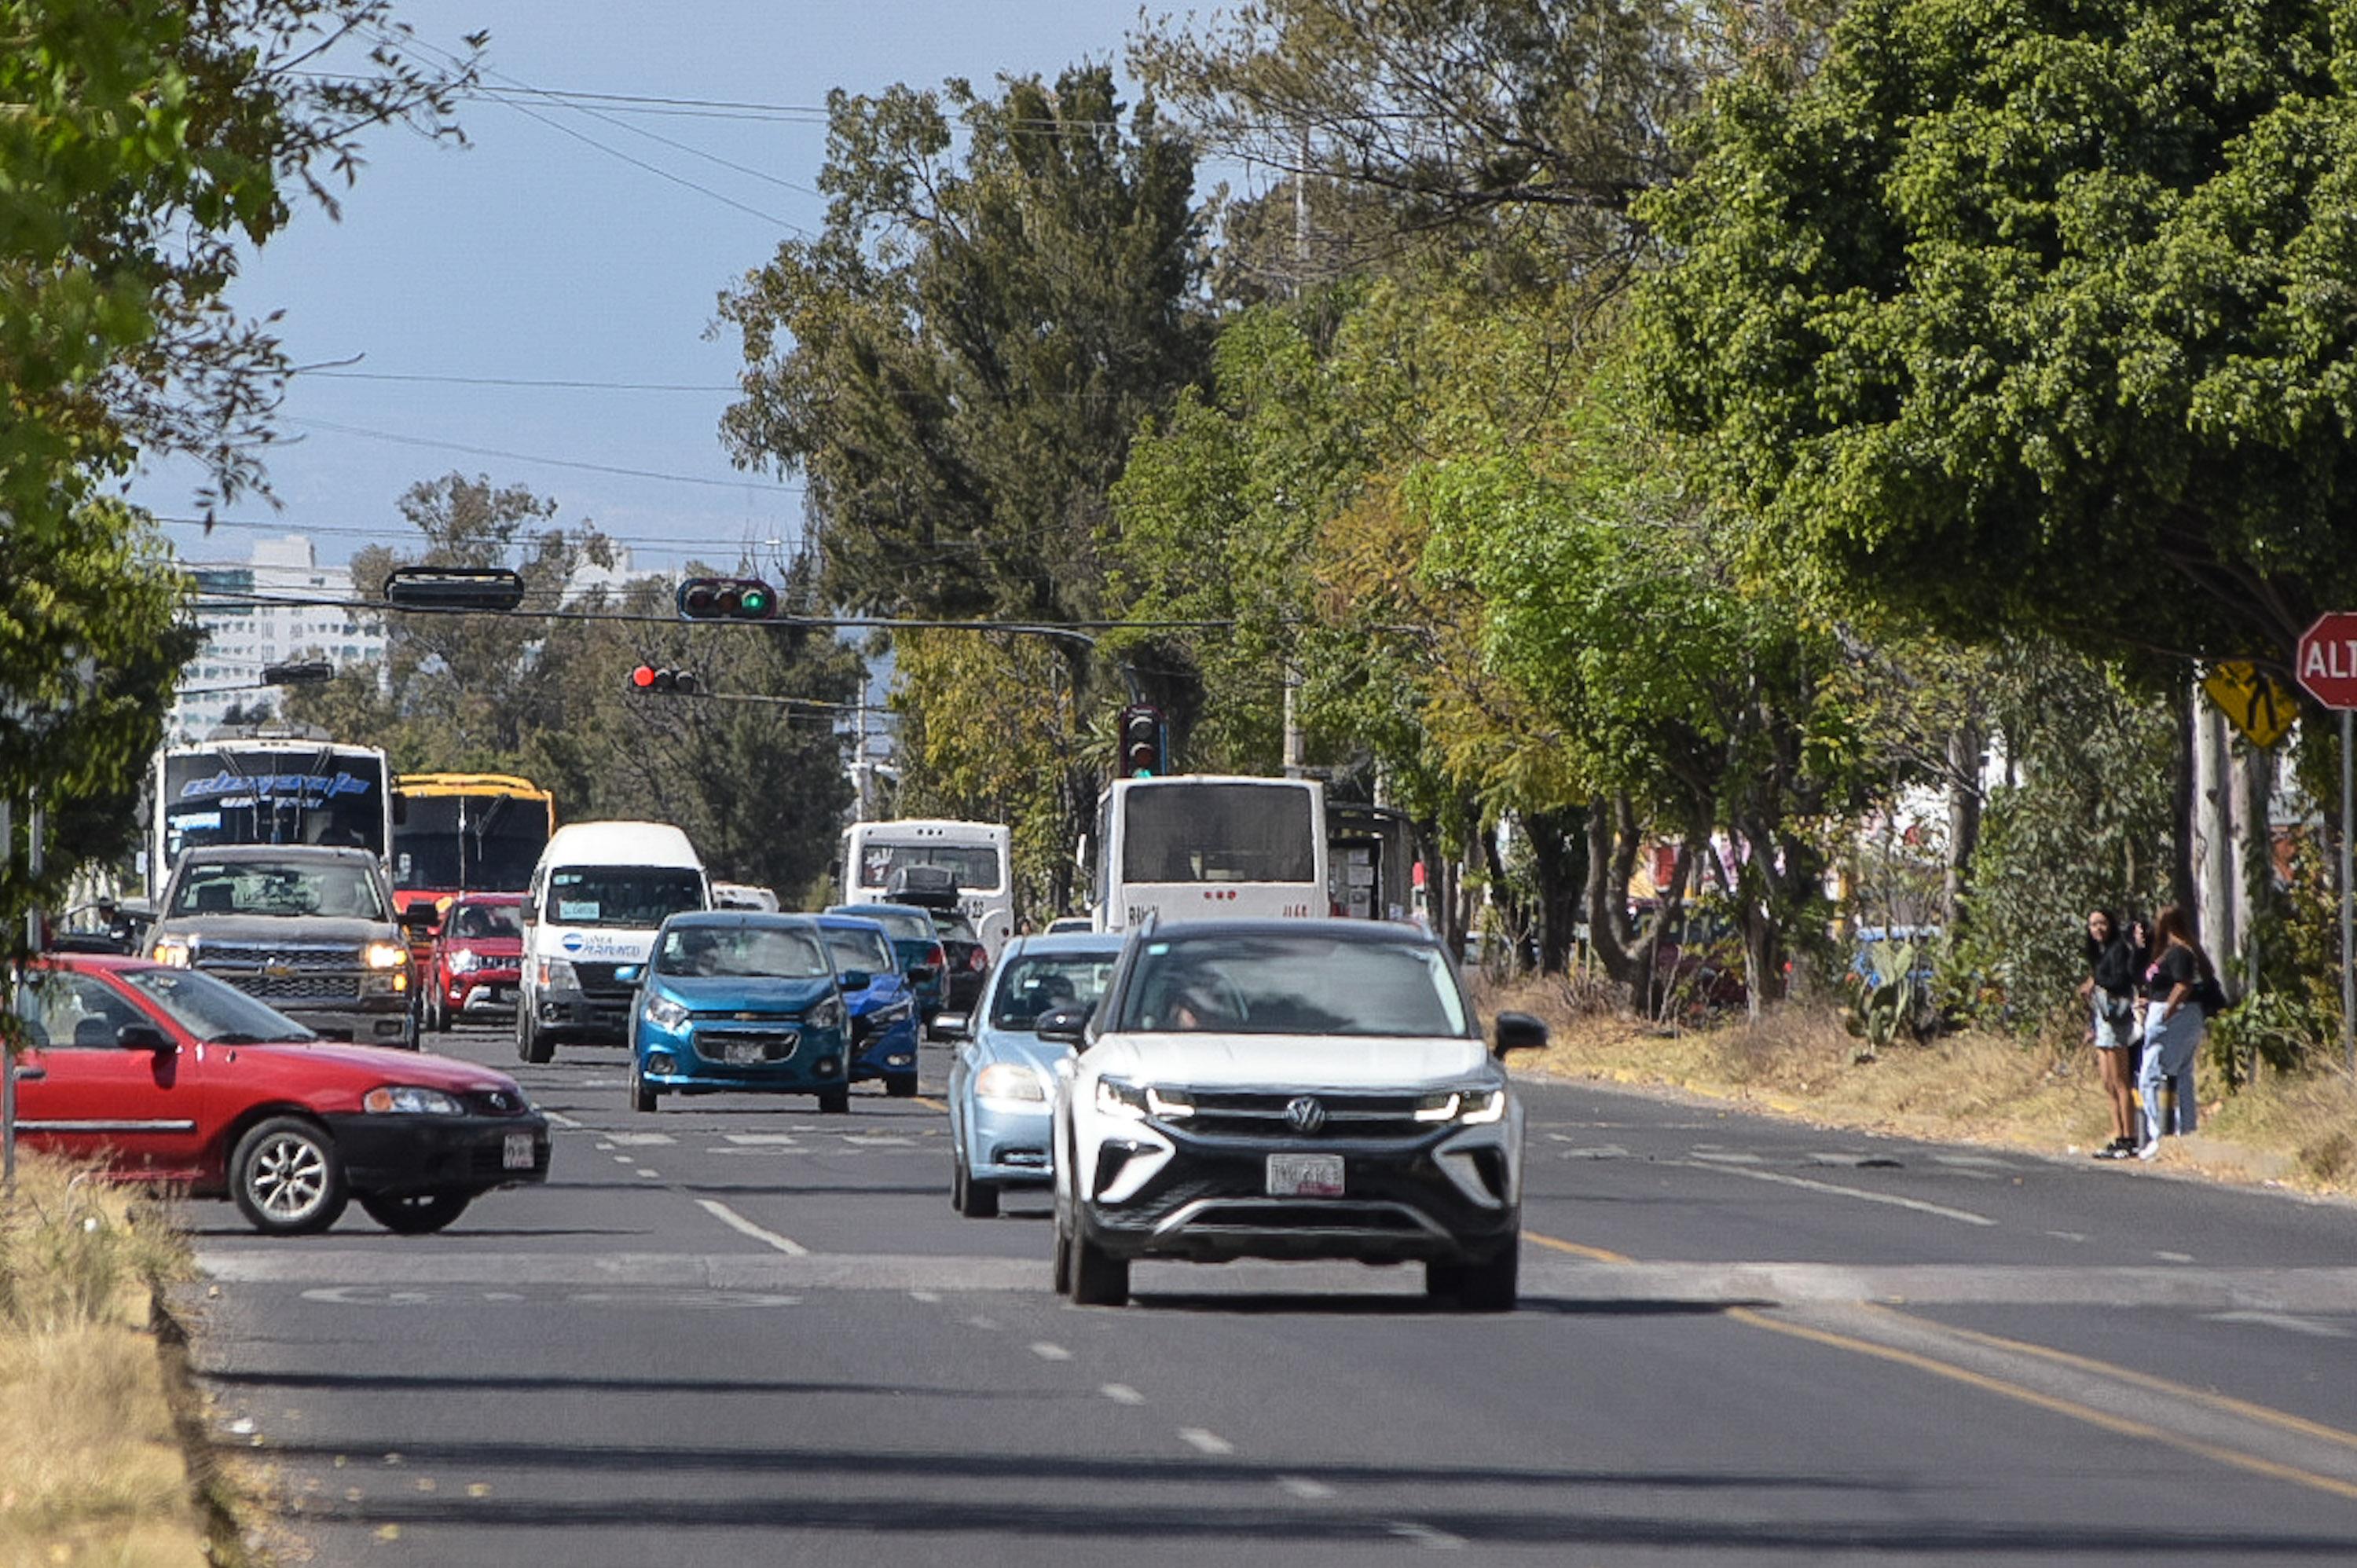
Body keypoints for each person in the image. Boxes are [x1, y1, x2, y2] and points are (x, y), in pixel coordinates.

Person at [2135, 905, 2212, 1160]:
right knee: (2182, 1076)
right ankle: (2187, 1132)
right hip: (2178, 1013)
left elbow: (2183, 984)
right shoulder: (2178, 951)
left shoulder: (2179, 952)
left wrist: (2165, 1012)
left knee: (2151, 1075)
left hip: (2174, 1015)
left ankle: (2158, 1135)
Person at [2080, 910, 2143, 1159]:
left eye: (2102, 923)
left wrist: (2097, 983)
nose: (2098, 929)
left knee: (2121, 1082)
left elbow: (2123, 981)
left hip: (2117, 1021)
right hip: (2102, 1021)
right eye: (2093, 925)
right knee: (2107, 1083)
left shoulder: (2119, 949)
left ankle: (2130, 1138)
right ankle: (2118, 1136)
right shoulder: (2100, 953)